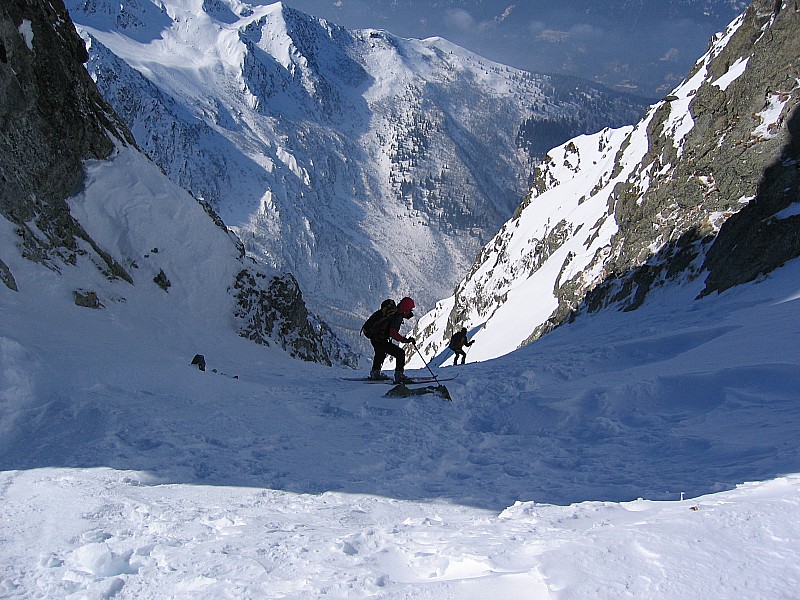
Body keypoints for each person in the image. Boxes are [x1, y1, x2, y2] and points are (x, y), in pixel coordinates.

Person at [367, 296, 416, 383]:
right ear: (406, 309)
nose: (411, 312)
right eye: (410, 309)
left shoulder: (392, 313)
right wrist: (404, 340)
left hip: (375, 338)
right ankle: (399, 376)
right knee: (400, 353)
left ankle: (375, 373)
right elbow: (393, 333)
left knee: (380, 353)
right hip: (380, 340)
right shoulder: (397, 316)